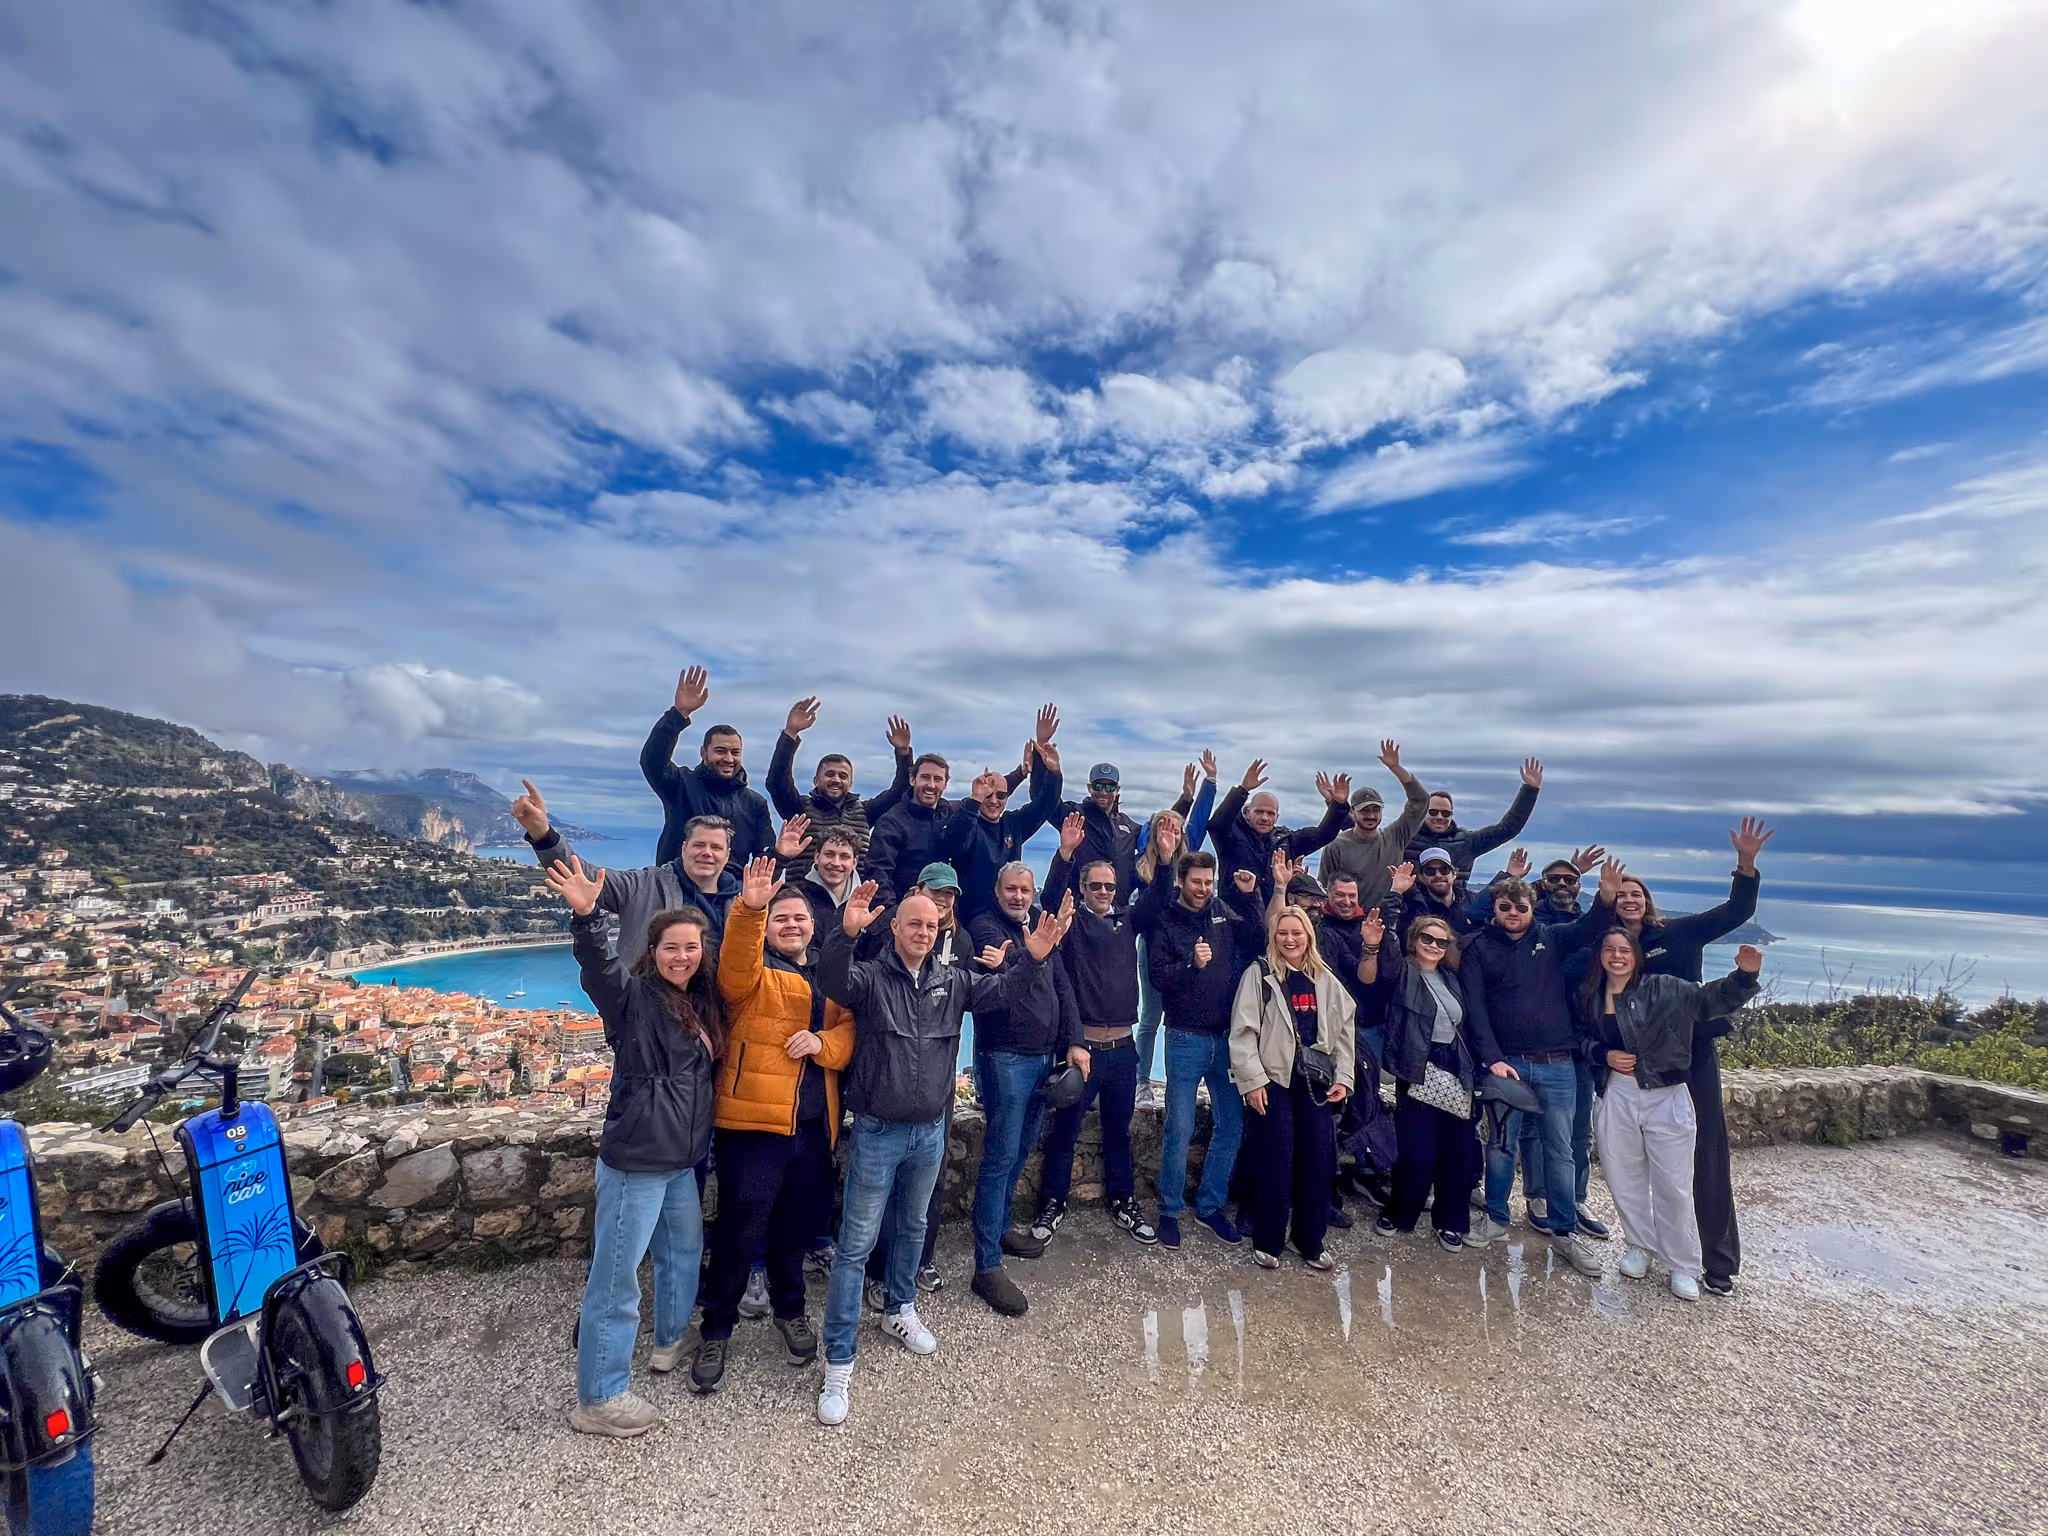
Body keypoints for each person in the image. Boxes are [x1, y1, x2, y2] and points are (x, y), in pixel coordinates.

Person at [816, 879, 1071, 1426]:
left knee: (912, 1228)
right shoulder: (870, 979)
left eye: (931, 926)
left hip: (930, 1129)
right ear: (896, 927)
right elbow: (832, 978)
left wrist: (1031, 957)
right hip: (879, 1130)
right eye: (914, 923)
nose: (923, 932)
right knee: (856, 1245)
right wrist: (844, 933)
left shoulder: (952, 982)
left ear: (939, 933)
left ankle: (899, 1308)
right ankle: (839, 1359)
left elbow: (999, 993)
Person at [545, 857, 720, 1439]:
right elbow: (597, 967)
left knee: (682, 1253)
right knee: (616, 1278)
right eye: (672, 947)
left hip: (681, 1159)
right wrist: (588, 916)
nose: (682, 956)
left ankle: (669, 1341)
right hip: (637, 1161)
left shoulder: (698, 1002)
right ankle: (598, 1396)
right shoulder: (632, 998)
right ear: (653, 950)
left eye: (691, 947)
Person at [1564, 819, 1775, 1296]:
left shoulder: (1679, 934)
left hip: (1688, 1057)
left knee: (1705, 1157)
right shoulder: (1605, 958)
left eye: (1637, 894)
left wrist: (1746, 863)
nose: (1630, 900)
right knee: (1628, 1165)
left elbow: (1737, 910)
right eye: (1622, 896)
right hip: (1626, 1070)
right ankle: (1645, 1245)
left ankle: (1714, 1262)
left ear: (1648, 900)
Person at [692, 859, 856, 1393]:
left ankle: (791, 1310)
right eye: (780, 918)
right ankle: (717, 1327)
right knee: (739, 1230)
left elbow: (849, 1033)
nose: (791, 925)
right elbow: (736, 960)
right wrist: (751, 908)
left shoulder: (828, 979)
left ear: (814, 925)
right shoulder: (749, 975)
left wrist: (823, 1044)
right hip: (753, 1125)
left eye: (799, 918)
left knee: (793, 1230)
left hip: (811, 1126)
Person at [1579, 929, 1764, 1301]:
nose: (1616, 956)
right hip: (1617, 1092)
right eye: (1609, 949)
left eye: (1624, 950)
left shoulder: (1664, 987)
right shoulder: (1589, 996)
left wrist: (1744, 976)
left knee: (1674, 1185)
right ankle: (1639, 1246)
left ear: (1636, 955)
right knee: (1622, 1177)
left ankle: (1683, 1264)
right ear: (1600, 955)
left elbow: (1709, 1001)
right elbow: (1579, 1037)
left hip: (1666, 1094)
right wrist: (1604, 1055)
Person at [1458, 874, 1614, 1276]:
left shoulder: (1552, 938)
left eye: (1521, 907)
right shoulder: (1480, 949)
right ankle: (1495, 1217)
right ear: (1495, 908)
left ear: (1532, 908)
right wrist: (1492, 1058)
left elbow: (1590, 927)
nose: (1513, 914)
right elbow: (1475, 1007)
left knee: (1559, 1150)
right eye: (1505, 907)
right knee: (1501, 1145)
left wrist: (1606, 897)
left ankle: (1564, 1233)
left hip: (1558, 1063)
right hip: (1506, 1063)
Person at [1032, 814, 1159, 1248]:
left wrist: (1160, 854)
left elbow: (1159, 896)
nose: (1103, 892)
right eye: (1095, 886)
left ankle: (1124, 1200)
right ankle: (1052, 1203)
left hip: (1124, 1050)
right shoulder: (1071, 925)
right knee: (1064, 1132)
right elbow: (1050, 902)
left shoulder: (1130, 920)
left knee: (1118, 1131)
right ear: (1083, 890)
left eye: (1109, 886)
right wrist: (1065, 853)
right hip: (1081, 1049)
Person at [511, 778, 810, 961]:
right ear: (683, 849)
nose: (707, 853)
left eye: (716, 848)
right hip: (653, 1018)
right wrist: (543, 834)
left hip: (721, 1020)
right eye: (699, 845)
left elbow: (763, 889)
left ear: (728, 854)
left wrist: (781, 855)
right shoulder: (645, 886)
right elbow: (581, 875)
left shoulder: (741, 898)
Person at [963, 864, 1084, 1315]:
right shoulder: (984, 925)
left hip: (1043, 1056)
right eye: (1011, 889)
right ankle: (987, 1266)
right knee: (1000, 1155)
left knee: (1022, 1149)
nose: (1018, 896)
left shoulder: (1038, 925)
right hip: (1005, 1057)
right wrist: (1024, 956)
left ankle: (998, 1230)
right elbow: (1004, 986)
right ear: (998, 890)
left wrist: (1075, 1041)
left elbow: (1061, 985)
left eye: (1025, 890)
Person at [1134, 848, 1267, 1249]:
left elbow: (1257, 942)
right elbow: (1158, 979)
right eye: (1197, 882)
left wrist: (1248, 897)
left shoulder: (1223, 909)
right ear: (1181, 880)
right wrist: (1191, 964)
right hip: (1184, 1037)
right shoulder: (1167, 920)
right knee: (1180, 1126)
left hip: (1226, 1039)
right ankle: (1170, 1210)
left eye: (1209, 883)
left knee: (1231, 1124)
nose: (1204, 889)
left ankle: (1210, 1206)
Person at [1229, 894, 1357, 1270]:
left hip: (1315, 1083)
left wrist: (1345, 1078)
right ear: (1274, 937)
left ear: (1308, 935)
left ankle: (1311, 1241)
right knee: (1276, 1162)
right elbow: (1242, 1033)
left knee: (1318, 1162)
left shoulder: (1324, 978)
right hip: (1275, 1081)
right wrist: (1253, 1082)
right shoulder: (1260, 975)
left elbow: (1345, 1031)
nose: (1290, 939)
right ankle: (1269, 1241)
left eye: (1296, 932)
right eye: (1283, 933)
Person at [857, 864, 967, 1299]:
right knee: (879, 1202)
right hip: (887, 1092)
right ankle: (878, 1272)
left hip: (936, 1088)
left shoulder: (962, 942)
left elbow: (971, 997)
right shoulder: (885, 951)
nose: (942, 902)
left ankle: (919, 1266)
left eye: (949, 896)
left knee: (927, 1193)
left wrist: (1031, 960)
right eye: (935, 893)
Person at [1369, 913, 1484, 1251]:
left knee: (1458, 1151)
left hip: (1457, 1066)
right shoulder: (1403, 973)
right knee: (1416, 1151)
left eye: (1441, 941)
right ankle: (1402, 1212)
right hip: (1419, 1065)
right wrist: (1392, 897)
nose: (1434, 946)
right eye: (1427, 939)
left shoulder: (1452, 977)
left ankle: (1451, 1221)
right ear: (1414, 941)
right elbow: (1385, 955)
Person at [642, 665, 778, 871]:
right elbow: (653, 761)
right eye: (721, 751)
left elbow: (764, 858)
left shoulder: (754, 803)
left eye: (735, 752)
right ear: (704, 753)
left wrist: (751, 894)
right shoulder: (680, 784)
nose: (729, 758)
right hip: (677, 888)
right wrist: (678, 715)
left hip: (729, 894)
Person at [864, 743, 1031, 905]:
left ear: (945, 784)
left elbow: (986, 796)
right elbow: (878, 875)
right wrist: (892, 917)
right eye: (925, 777)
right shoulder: (891, 823)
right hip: (907, 915)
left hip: (945, 911)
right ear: (912, 779)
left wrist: (1021, 773)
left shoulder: (950, 811)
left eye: (937, 779)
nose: (931, 785)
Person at [765, 699, 915, 878]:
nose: (836, 780)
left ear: (851, 784)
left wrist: (903, 753)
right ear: (815, 780)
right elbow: (777, 782)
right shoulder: (799, 809)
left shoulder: (865, 812)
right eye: (829, 774)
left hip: (851, 897)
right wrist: (790, 734)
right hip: (803, 896)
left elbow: (900, 792)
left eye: (843, 776)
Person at [938, 734, 1065, 922]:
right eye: (988, 796)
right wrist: (974, 800)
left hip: (1008, 919)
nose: (994, 801)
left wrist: (1054, 773)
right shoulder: (968, 823)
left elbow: (1045, 805)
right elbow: (953, 844)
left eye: (1001, 796)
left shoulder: (1013, 824)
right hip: (970, 921)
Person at [1209, 759, 1352, 910]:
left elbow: (1322, 835)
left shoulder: (1286, 840)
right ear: (1247, 812)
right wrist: (1242, 790)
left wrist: (1337, 805)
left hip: (1277, 919)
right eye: (1259, 811)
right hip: (1235, 919)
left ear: (1277, 817)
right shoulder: (1230, 836)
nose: (1265, 817)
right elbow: (1216, 825)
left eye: (1270, 813)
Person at [1316, 741, 1430, 910]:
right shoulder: (1336, 845)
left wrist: (1396, 768)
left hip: (1388, 922)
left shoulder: (1395, 836)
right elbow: (1324, 890)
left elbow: (1421, 801)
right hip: (1348, 924)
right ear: (1352, 812)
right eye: (1364, 810)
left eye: (1375, 809)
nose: (1370, 815)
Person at [1403, 759, 1544, 892]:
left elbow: (1507, 828)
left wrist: (1530, 791)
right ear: (1423, 812)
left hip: (1453, 908)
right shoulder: (1405, 838)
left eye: (1445, 813)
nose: (1439, 817)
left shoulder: (1467, 842)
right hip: (1410, 910)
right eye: (1433, 812)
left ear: (1452, 815)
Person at [1395, 847, 1485, 948]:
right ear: (1421, 877)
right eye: (1430, 871)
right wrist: (1397, 891)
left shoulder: (1473, 901)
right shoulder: (1415, 907)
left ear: (1454, 874)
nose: (1438, 875)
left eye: (1444, 869)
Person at [799, 827, 863, 934]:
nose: (836, 863)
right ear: (816, 857)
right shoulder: (798, 896)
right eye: (829, 854)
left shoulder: (870, 900)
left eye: (844, 856)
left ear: (854, 863)